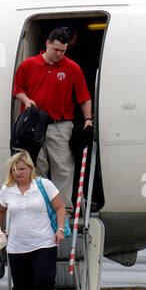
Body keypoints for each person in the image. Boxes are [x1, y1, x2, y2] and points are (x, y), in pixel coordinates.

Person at [0, 151, 68, 290]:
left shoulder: (43, 185)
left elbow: (60, 208)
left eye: (22, 169)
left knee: (44, 281)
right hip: (17, 248)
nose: (18, 173)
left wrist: (60, 229)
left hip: (43, 243)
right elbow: (0, 210)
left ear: (30, 169)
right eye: (15, 169)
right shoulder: (7, 190)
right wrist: (0, 231)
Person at [12, 25, 94, 185]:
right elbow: (17, 89)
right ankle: (43, 206)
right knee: (38, 167)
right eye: (56, 49)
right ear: (47, 43)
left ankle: (65, 209)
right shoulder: (28, 65)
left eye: (63, 51)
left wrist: (88, 119)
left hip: (61, 125)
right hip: (34, 125)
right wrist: (26, 100)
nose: (59, 54)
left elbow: (84, 97)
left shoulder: (72, 67)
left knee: (63, 167)